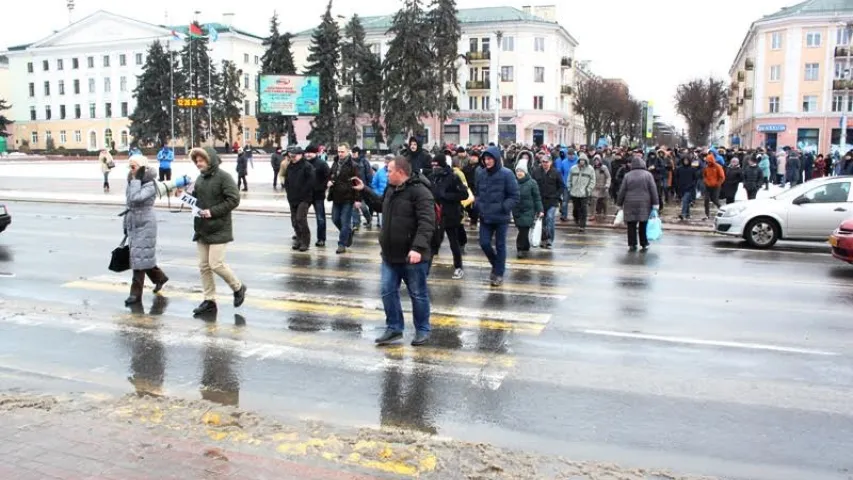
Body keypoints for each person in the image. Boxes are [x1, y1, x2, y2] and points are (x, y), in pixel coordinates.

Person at [352, 156, 435, 347]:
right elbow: (382, 205)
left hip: (413, 256)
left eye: (389, 170)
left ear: (401, 172)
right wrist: (364, 190)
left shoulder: (420, 192)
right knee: (387, 291)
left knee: (418, 294)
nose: (386, 173)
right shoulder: (392, 188)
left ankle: (423, 330)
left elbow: (427, 223)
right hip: (390, 254)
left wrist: (417, 248)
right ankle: (394, 328)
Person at [188, 147, 246, 317]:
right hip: (202, 228)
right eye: (196, 161)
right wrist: (184, 195)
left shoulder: (224, 177)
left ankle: (238, 287)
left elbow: (234, 199)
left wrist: (212, 211)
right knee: (204, 266)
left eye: (201, 160)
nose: (198, 164)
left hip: (219, 227)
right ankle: (209, 300)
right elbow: (197, 200)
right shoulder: (199, 179)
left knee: (216, 264)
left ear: (210, 160)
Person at [123, 155, 169, 306]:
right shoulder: (132, 180)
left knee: (138, 260)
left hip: (145, 223)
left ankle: (135, 294)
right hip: (134, 222)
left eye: (133, 167)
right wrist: (126, 224)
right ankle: (160, 278)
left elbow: (136, 198)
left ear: (142, 167)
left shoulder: (150, 183)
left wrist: (136, 179)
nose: (131, 170)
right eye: (130, 167)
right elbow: (129, 202)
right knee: (142, 257)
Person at [475, 146, 520, 287]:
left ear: (495, 159)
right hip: (485, 216)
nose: (487, 161)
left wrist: (504, 207)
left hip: (501, 217)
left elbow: (514, 196)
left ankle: (499, 274)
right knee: (484, 243)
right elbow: (478, 192)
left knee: (500, 245)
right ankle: (497, 265)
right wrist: (478, 205)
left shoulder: (507, 174)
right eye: (485, 159)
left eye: (489, 159)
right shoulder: (481, 174)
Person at [429, 153, 468, 280]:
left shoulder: (452, 177)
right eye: (433, 165)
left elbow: (464, 194)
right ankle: (425, 270)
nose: (434, 167)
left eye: (437, 165)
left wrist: (447, 196)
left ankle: (458, 267)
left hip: (451, 215)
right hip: (436, 215)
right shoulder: (431, 177)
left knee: (453, 243)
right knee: (432, 243)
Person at [617, 155, 660, 252]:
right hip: (644, 203)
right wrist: (655, 204)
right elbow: (653, 190)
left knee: (631, 225)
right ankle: (644, 243)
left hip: (629, 203)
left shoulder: (627, 175)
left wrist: (619, 203)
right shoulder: (648, 175)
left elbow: (622, 191)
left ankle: (632, 244)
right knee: (643, 224)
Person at [328, 143, 361, 254]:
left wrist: (357, 199)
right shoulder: (335, 163)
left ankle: (342, 244)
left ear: (348, 151)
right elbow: (331, 175)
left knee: (344, 221)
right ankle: (348, 232)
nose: (340, 154)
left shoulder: (353, 165)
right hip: (336, 196)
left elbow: (357, 182)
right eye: (339, 151)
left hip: (348, 197)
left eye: (342, 151)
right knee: (335, 219)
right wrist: (329, 181)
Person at [284, 147, 315, 252]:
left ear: (301, 155)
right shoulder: (290, 166)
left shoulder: (307, 167)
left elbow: (311, 183)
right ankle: (299, 239)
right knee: (294, 221)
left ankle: (305, 242)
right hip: (292, 198)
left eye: (294, 155)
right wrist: (288, 193)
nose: (292, 158)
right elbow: (286, 181)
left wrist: (304, 195)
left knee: (300, 219)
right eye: (291, 156)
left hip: (304, 198)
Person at [532, 154, 564, 248]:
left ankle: (550, 239)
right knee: (542, 221)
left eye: (546, 162)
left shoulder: (556, 172)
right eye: (543, 162)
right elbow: (532, 185)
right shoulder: (536, 172)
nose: (545, 164)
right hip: (540, 201)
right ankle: (543, 239)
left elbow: (562, 186)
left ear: (550, 162)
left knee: (550, 218)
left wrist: (557, 196)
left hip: (552, 201)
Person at [512, 165, 543, 259]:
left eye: (521, 171)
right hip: (517, 210)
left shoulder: (532, 183)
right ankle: (525, 245)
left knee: (523, 229)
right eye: (517, 171)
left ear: (525, 172)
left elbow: (537, 198)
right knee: (522, 229)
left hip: (528, 210)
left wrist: (540, 210)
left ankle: (519, 249)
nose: (519, 173)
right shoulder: (513, 182)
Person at [307, 145, 329, 247]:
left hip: (318, 195)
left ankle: (321, 238)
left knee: (320, 218)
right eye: (306, 152)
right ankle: (300, 236)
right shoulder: (304, 163)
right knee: (300, 217)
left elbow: (328, 176)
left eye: (310, 152)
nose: (307, 154)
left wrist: (323, 187)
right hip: (306, 194)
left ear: (315, 153)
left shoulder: (321, 164)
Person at [568, 153, 596, 232]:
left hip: (584, 193)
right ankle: (576, 218)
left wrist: (589, 189)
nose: (582, 162)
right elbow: (569, 179)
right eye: (580, 160)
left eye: (583, 160)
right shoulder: (573, 168)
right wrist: (569, 188)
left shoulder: (590, 169)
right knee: (576, 208)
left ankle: (582, 225)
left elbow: (593, 180)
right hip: (574, 192)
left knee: (584, 209)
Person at [674, 156, 699, 221]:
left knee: (685, 200)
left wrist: (692, 185)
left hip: (689, 188)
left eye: (687, 161)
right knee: (686, 201)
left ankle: (683, 214)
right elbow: (676, 178)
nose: (686, 162)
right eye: (684, 160)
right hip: (681, 188)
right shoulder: (679, 169)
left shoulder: (692, 169)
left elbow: (695, 179)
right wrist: (677, 185)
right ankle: (687, 214)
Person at [702, 153, 725, 220]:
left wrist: (718, 184)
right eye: (707, 162)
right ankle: (707, 214)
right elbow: (704, 175)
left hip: (716, 187)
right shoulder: (706, 168)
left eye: (709, 162)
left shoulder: (718, 167)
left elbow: (722, 177)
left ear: (712, 161)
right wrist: (705, 181)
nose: (708, 163)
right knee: (706, 200)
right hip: (707, 186)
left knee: (715, 200)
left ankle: (722, 211)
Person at [590, 155, 611, 222]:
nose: (596, 162)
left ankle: (605, 214)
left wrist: (607, 185)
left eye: (597, 160)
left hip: (603, 187)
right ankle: (592, 214)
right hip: (595, 187)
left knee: (605, 201)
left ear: (600, 161)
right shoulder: (592, 168)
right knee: (593, 200)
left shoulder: (604, 168)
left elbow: (608, 177)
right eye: (595, 160)